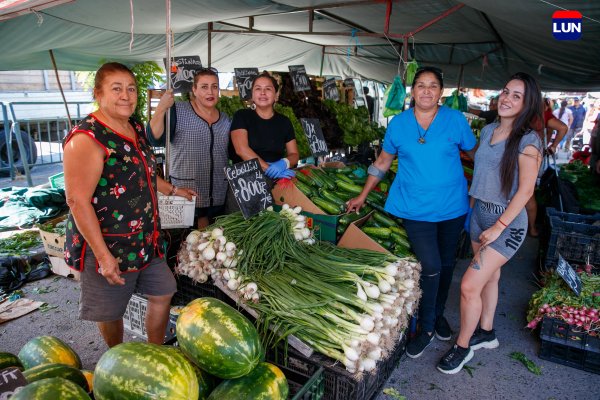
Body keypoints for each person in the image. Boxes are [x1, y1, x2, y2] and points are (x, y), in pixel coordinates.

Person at [62, 62, 197, 348]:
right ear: (98, 93)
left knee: (163, 290)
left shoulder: (133, 126)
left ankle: (154, 350)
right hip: (108, 243)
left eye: (131, 88)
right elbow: (76, 200)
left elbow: (144, 171)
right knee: (110, 311)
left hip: (145, 238)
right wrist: (103, 256)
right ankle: (119, 357)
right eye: (117, 88)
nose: (126, 95)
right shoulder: (87, 138)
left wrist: (172, 189)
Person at [346, 66, 477, 359]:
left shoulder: (455, 120)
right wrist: (363, 194)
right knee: (429, 265)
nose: (426, 91)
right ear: (412, 91)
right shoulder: (399, 124)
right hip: (414, 207)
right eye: (420, 85)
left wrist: (482, 192)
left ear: (441, 92)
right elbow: (382, 161)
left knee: (445, 264)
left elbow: (474, 154)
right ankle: (427, 328)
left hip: (452, 206)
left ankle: (437, 313)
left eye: (433, 86)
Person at [437, 72, 543, 374]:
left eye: (516, 96)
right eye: (506, 92)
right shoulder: (489, 131)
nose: (506, 99)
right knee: (490, 278)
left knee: (469, 285)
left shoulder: (528, 141)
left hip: (507, 224)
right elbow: (482, 172)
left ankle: (462, 346)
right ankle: (486, 332)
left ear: (528, 103)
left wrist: (498, 227)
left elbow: (526, 191)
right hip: (480, 214)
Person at [148, 68, 231, 229]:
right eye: (204, 87)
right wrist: (161, 109)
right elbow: (154, 138)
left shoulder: (225, 118)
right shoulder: (177, 111)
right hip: (185, 196)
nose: (210, 91)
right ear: (194, 89)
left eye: (214, 86)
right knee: (186, 248)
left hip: (219, 196)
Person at [229, 72, 299, 182]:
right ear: (252, 95)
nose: (262, 92)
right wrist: (268, 169)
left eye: (268, 89)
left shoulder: (284, 122)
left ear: (276, 95)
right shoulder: (242, 116)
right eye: (258, 89)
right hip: (245, 186)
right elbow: (241, 149)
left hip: (275, 183)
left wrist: (284, 162)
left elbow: (294, 154)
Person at [524, 97, 568, 237]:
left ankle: (529, 227)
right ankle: (531, 228)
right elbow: (562, 128)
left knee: (524, 193)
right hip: (531, 157)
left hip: (526, 157)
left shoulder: (529, 113)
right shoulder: (543, 116)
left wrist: (552, 145)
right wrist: (552, 146)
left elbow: (562, 128)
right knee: (526, 193)